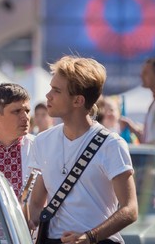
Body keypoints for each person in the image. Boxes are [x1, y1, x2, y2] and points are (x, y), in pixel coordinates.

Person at [28, 56, 138, 244]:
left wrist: (90, 236)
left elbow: (130, 209)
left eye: (56, 90)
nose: (48, 95)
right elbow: (37, 203)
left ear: (78, 100)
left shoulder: (111, 144)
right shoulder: (42, 141)